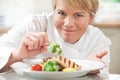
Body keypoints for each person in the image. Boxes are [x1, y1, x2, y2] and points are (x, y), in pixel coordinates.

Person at [0, 0, 111, 74]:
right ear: (54, 11)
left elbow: (104, 76)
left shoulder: (97, 40)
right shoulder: (34, 24)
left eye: (78, 15)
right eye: (61, 13)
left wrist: (90, 68)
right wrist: (17, 54)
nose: (68, 23)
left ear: (91, 18)